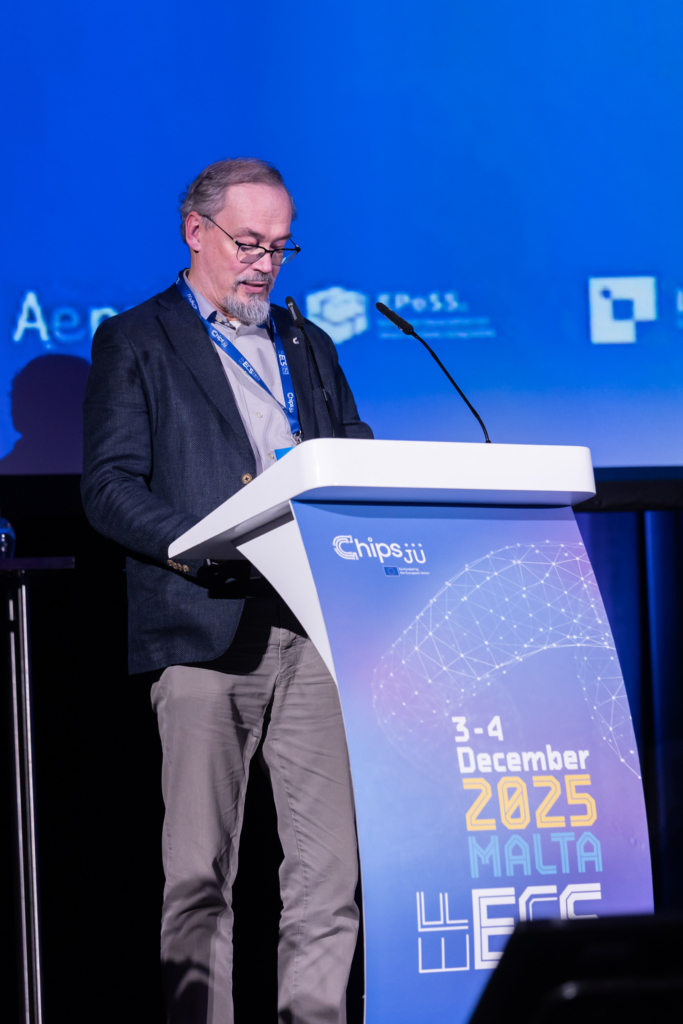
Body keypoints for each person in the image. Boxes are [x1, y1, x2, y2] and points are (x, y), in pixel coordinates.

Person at [81, 158, 373, 1024]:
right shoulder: (137, 339)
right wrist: (197, 550)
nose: (264, 264)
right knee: (199, 877)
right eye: (248, 243)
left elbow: (349, 451)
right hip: (204, 625)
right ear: (195, 232)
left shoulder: (307, 343)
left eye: (280, 247)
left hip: (311, 627)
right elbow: (109, 487)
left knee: (329, 877)